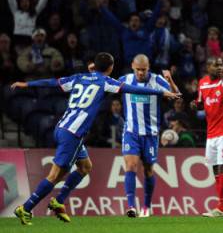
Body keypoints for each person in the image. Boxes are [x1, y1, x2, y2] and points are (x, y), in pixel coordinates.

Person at [11, 52, 180, 226]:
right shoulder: (106, 82)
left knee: (85, 167)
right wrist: (160, 92)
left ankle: (59, 201)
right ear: (111, 68)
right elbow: (133, 88)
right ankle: (26, 208)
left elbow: (51, 83)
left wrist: (26, 84)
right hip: (73, 134)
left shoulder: (78, 77)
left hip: (62, 127)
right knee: (54, 176)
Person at [119, 54, 180, 218]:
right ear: (132, 66)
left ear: (148, 67)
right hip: (131, 132)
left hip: (151, 134)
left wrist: (170, 80)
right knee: (130, 166)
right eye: (138, 69)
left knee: (148, 170)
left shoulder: (157, 80)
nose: (140, 73)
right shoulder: (125, 79)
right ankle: (131, 207)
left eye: (143, 70)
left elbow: (177, 95)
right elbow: (104, 86)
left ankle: (146, 206)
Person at [190, 57, 223, 217]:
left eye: (221, 64)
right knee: (215, 170)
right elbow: (200, 103)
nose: (220, 67)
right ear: (207, 67)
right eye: (216, 65)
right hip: (211, 134)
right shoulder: (202, 83)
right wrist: (195, 104)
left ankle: (222, 207)